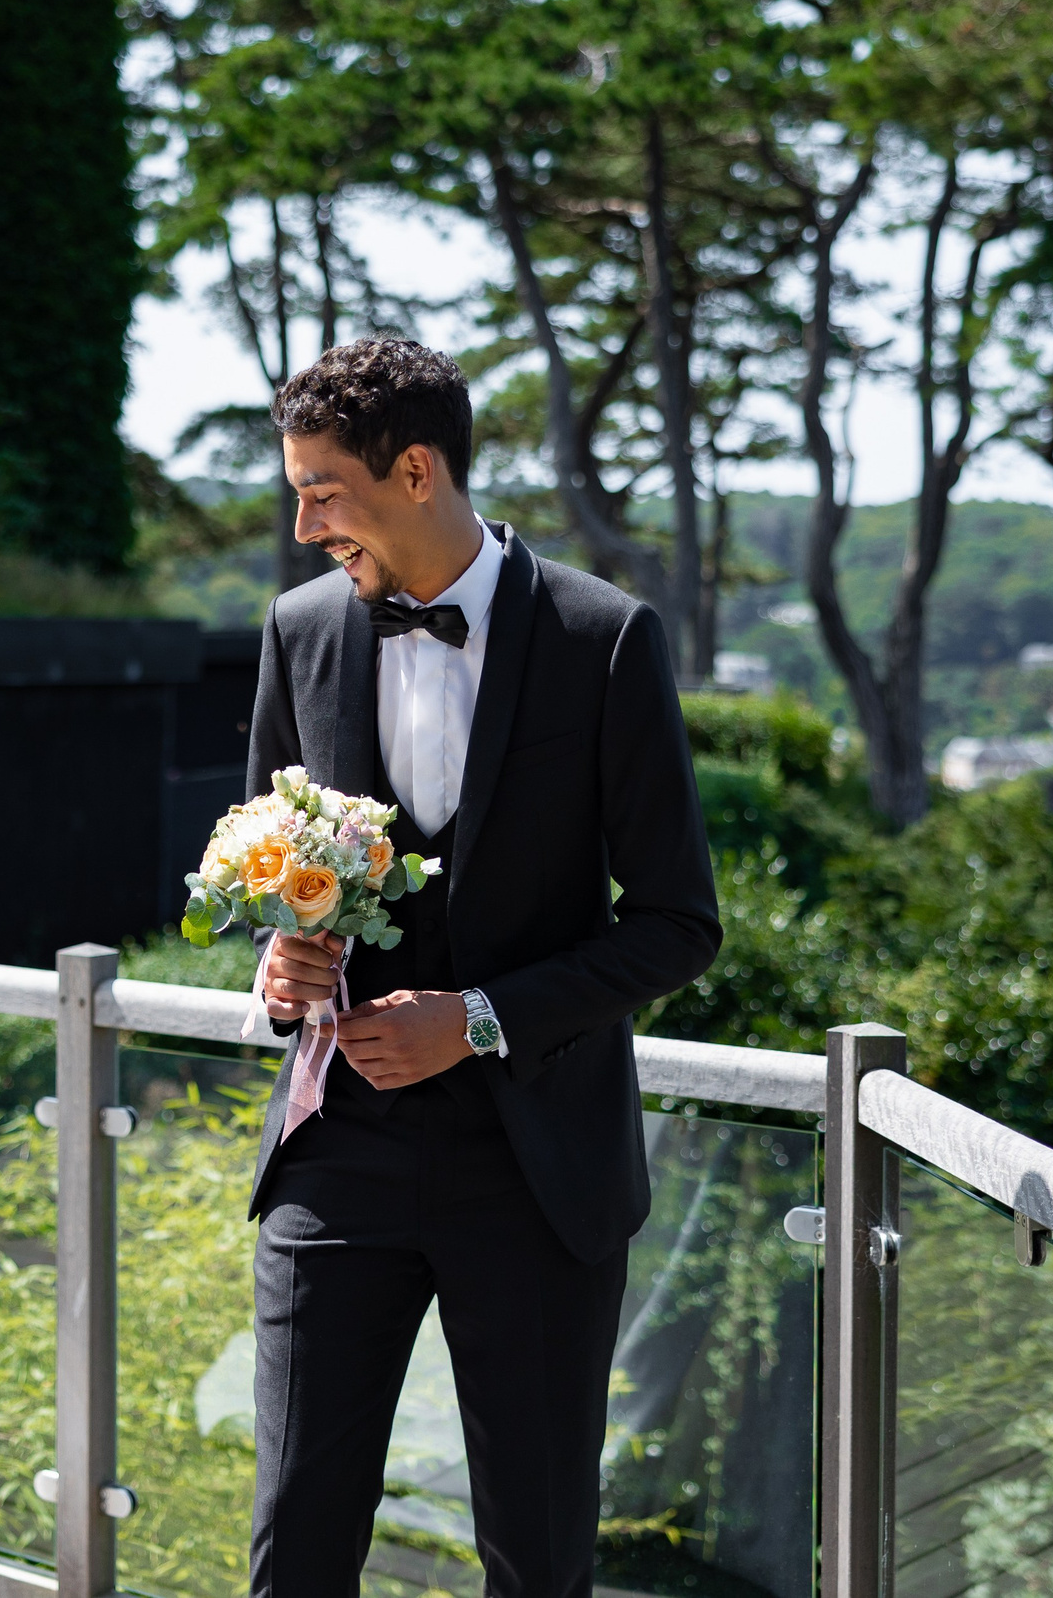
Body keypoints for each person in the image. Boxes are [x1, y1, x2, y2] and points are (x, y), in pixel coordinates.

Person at [243, 337, 722, 1597]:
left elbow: (678, 920)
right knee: (294, 1539)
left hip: (535, 1166)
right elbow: (265, 859)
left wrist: (483, 1020)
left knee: (535, 1552)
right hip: (336, 1145)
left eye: (321, 490)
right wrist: (279, 962)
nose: (301, 527)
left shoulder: (601, 637)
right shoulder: (298, 633)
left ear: (414, 469)